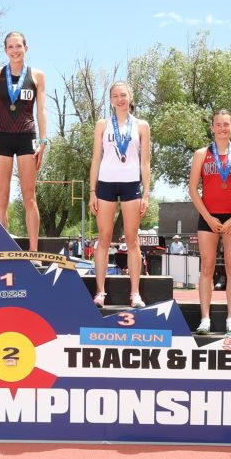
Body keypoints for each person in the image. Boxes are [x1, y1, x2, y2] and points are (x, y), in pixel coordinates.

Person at [188, 109, 231, 336]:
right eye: (219, 124)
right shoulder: (200, 154)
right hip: (208, 217)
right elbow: (193, 189)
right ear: (212, 127)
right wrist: (207, 217)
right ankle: (204, 318)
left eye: (227, 124)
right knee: (207, 266)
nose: (223, 128)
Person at [88, 81, 151, 308]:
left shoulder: (141, 125)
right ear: (111, 99)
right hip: (105, 183)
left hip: (131, 184)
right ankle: (100, 292)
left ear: (130, 96)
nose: (120, 99)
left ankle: (135, 294)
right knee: (103, 238)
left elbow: (145, 162)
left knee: (132, 239)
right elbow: (96, 158)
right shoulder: (102, 124)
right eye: (115, 95)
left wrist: (146, 193)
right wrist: (92, 191)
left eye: (123, 95)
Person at [0, 31, 49, 252]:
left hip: (27, 137)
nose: (15, 51)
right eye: (10, 47)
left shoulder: (37, 75)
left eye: (18, 46)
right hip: (1, 136)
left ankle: (33, 251)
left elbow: (41, 110)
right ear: (5, 50)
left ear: (26, 48)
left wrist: (43, 140)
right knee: (1, 196)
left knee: (29, 197)